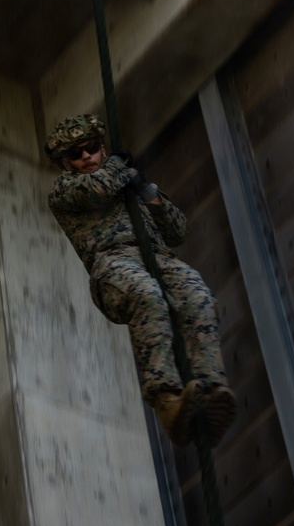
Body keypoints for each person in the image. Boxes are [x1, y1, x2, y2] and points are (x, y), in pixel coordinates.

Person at [45, 114, 238, 447]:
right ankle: (166, 401)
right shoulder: (66, 189)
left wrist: (149, 192)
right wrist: (120, 167)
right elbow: (98, 189)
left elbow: (177, 230)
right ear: (66, 162)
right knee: (147, 296)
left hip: (158, 258)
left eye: (92, 148)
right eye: (77, 154)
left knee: (197, 294)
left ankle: (210, 389)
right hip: (114, 264)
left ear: (101, 147)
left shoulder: (125, 183)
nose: (87, 157)